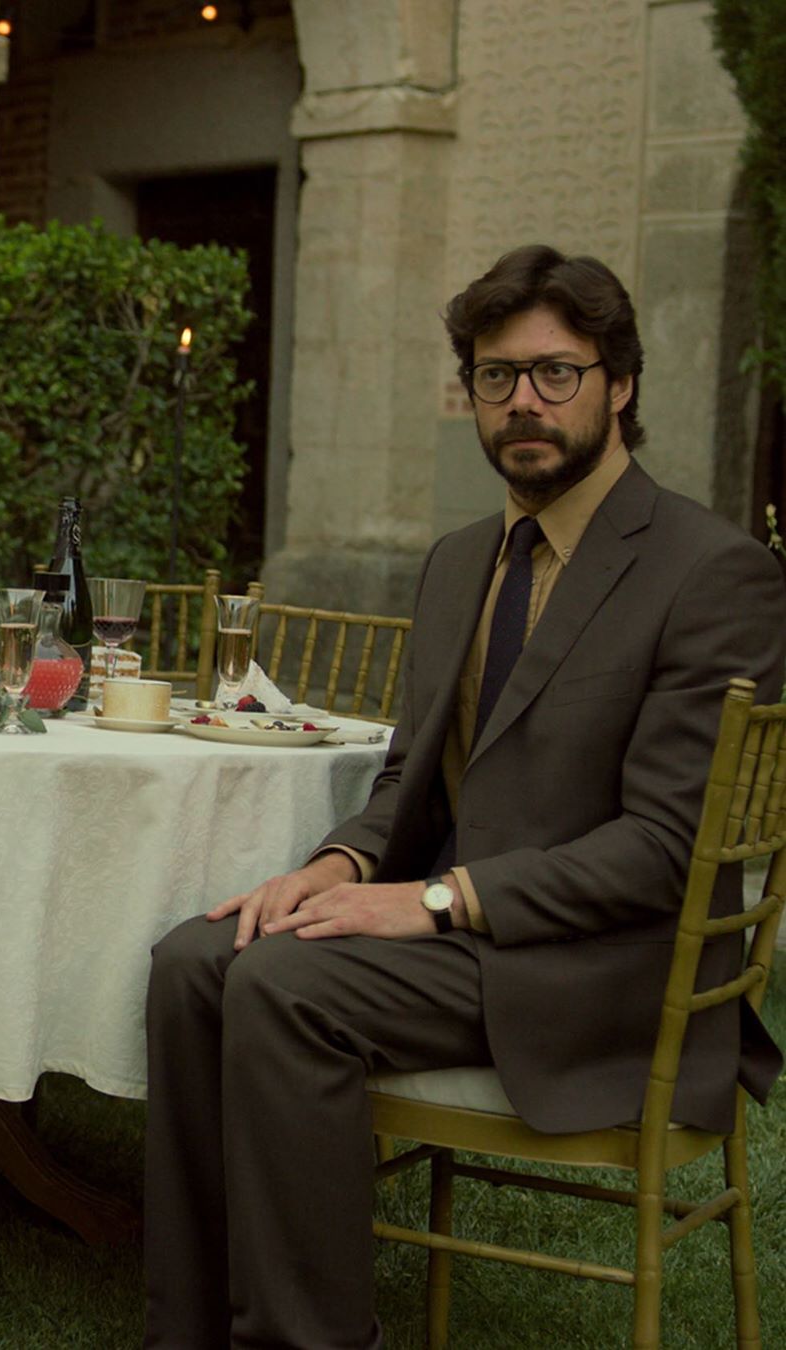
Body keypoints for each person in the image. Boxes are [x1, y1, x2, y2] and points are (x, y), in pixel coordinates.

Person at [142, 244, 786, 1349]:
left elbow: (667, 848)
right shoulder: (458, 561)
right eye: (496, 376)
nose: (524, 400)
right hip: (467, 944)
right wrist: (339, 866)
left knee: (286, 986)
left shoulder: (711, 570)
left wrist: (437, 902)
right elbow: (412, 776)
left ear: (620, 385)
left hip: (606, 970)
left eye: (556, 372)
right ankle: (189, 1332)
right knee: (194, 960)